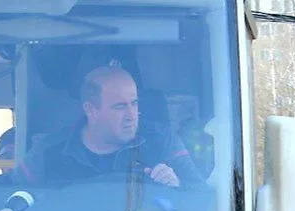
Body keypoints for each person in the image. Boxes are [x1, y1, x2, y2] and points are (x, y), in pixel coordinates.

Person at [19, 65, 202, 188]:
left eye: (134, 103)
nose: (132, 116)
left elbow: (202, 196)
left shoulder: (162, 141)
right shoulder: (48, 151)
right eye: (120, 107)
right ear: (91, 109)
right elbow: (11, 195)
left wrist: (177, 184)